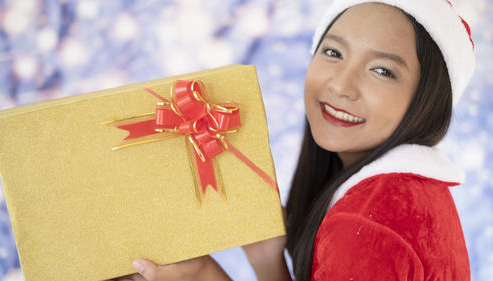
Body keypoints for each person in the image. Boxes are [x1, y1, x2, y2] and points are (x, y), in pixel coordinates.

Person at [110, 0, 475, 280]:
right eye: (333, 52)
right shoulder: (407, 197)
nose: (340, 86)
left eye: (382, 70)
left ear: (427, 101)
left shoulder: (368, 222)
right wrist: (238, 267)